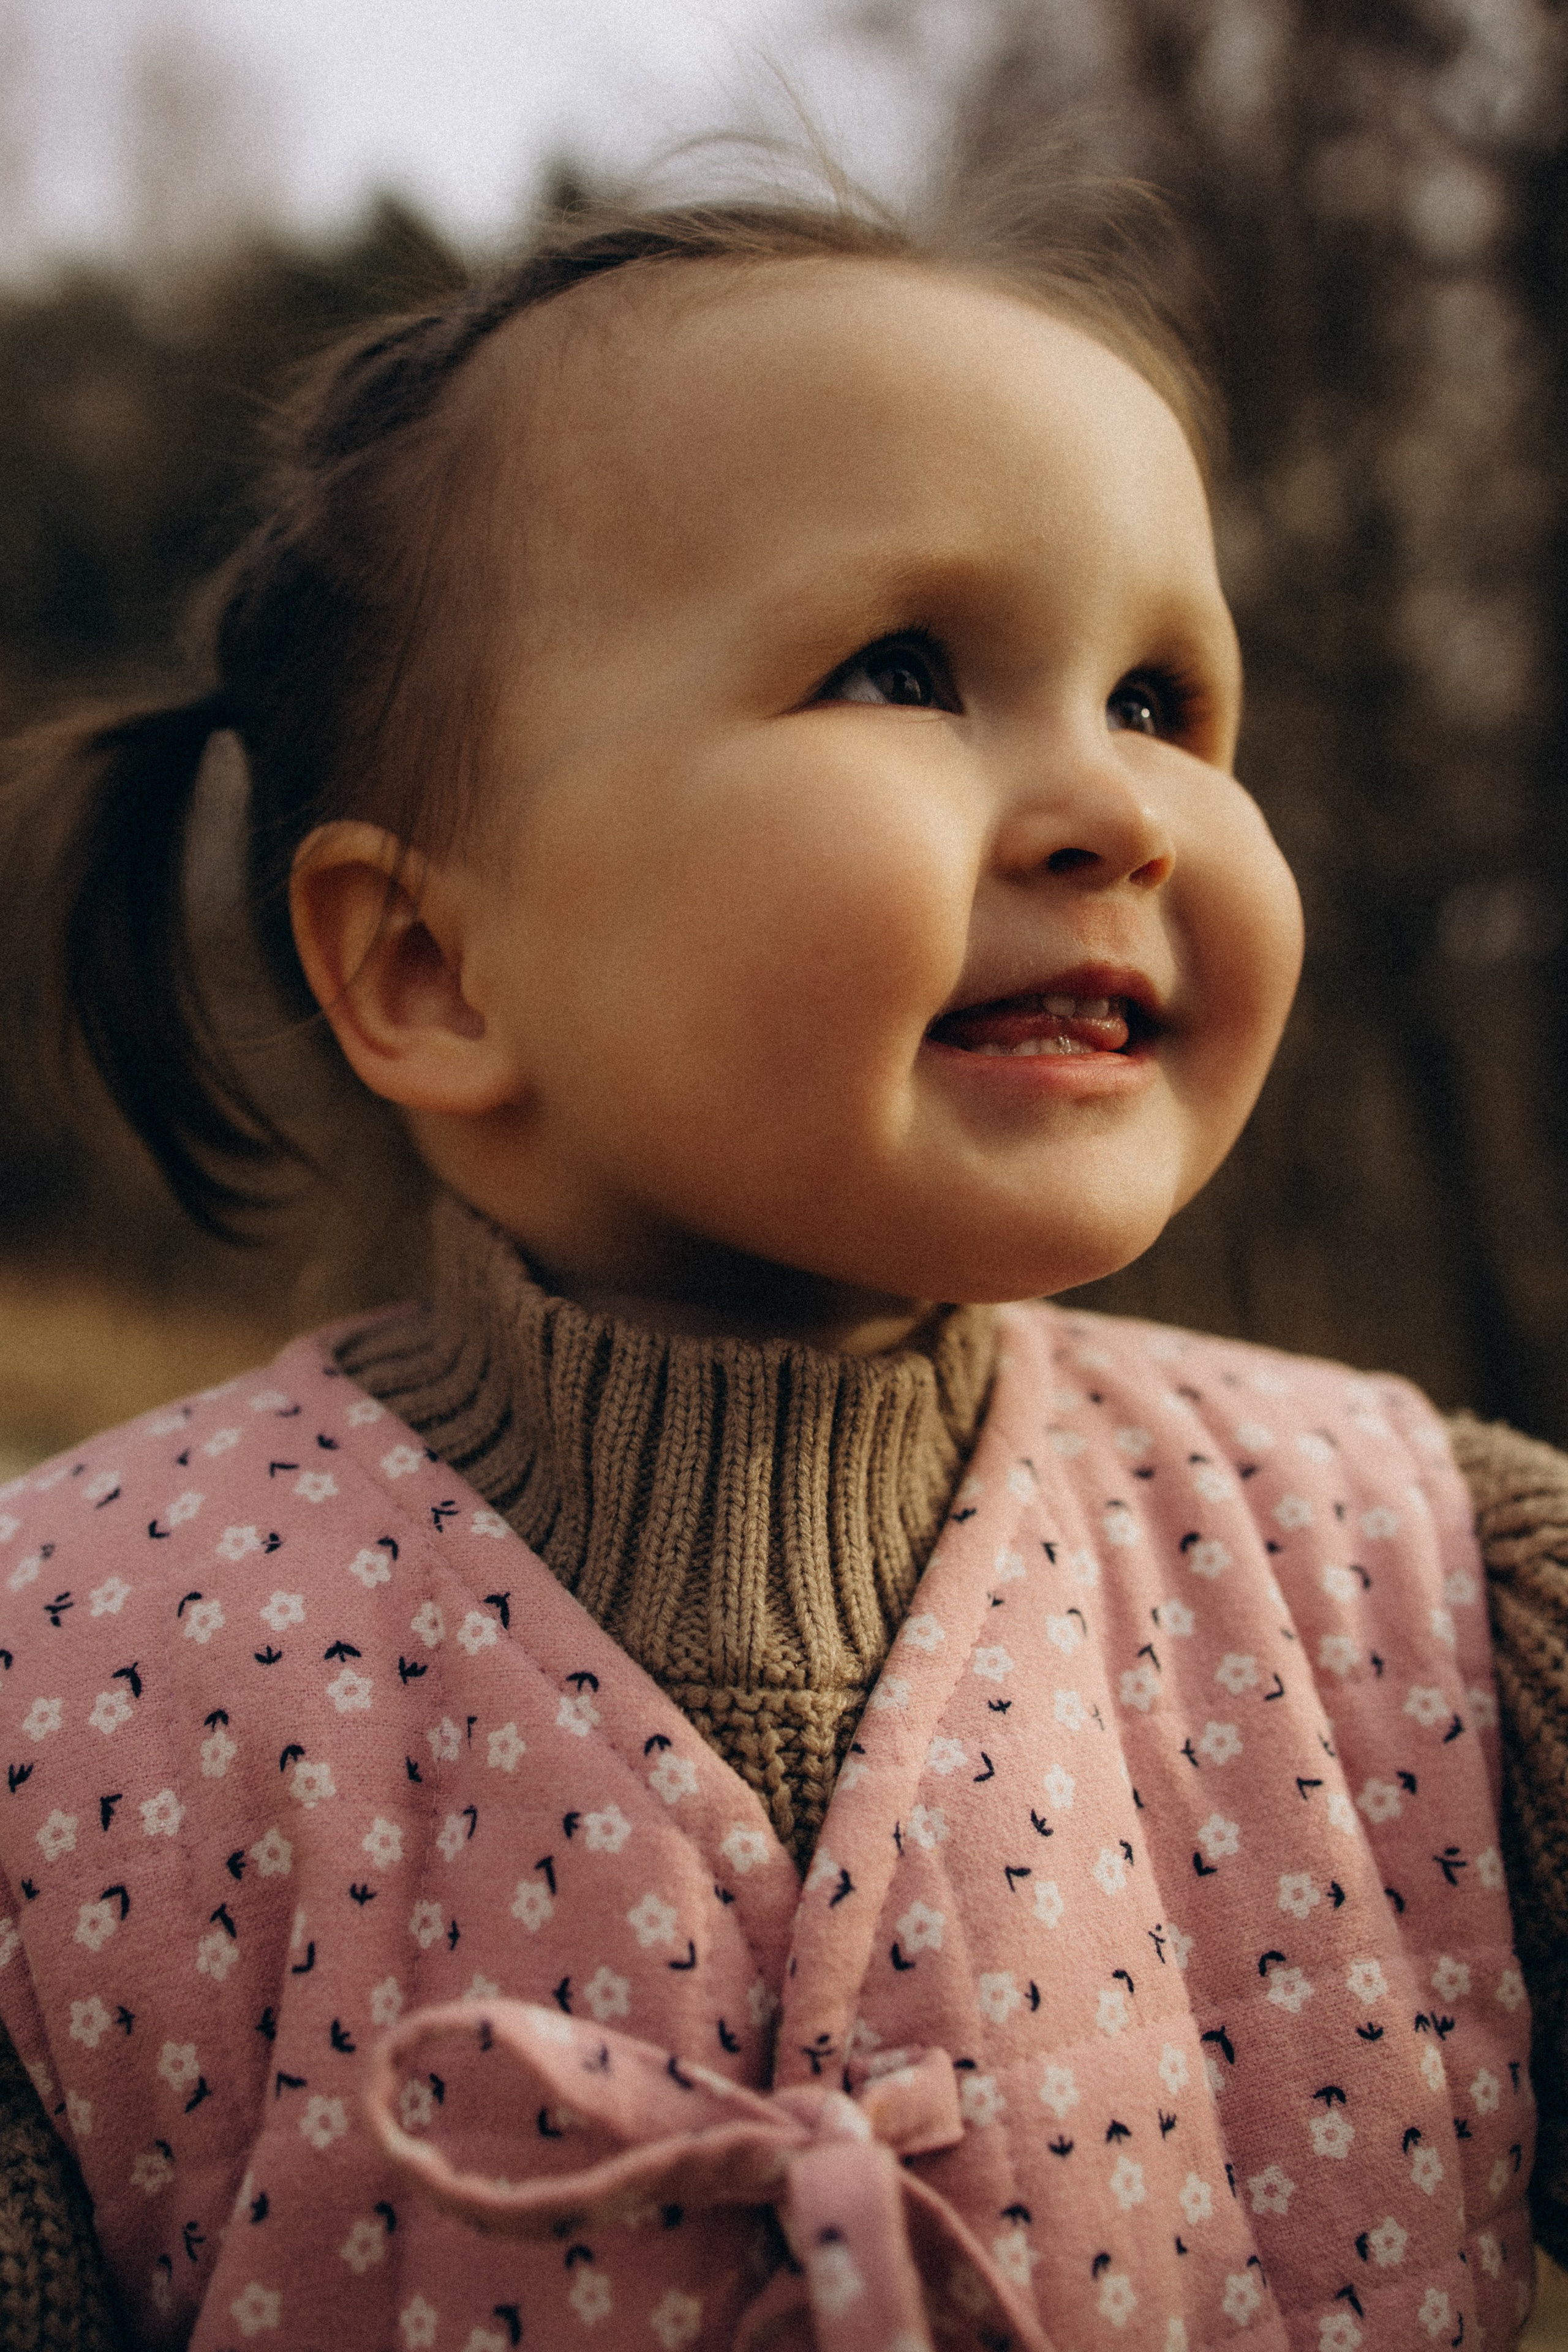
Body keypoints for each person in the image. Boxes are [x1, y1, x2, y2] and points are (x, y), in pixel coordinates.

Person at [0, 184, 1564, 2352]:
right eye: (906, 671)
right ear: (435, 967)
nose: (1119, 809)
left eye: (1160, 696)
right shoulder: (67, 1697)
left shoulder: (1450, 1609)